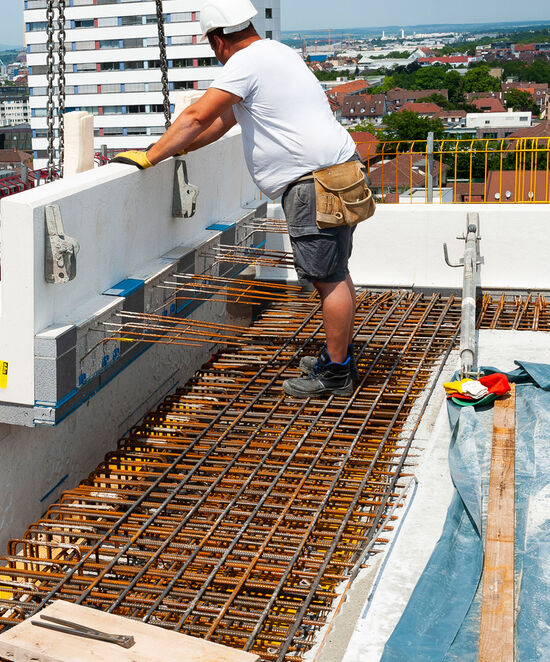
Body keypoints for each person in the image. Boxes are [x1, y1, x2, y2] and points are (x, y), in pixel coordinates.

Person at [111, 0, 369, 398]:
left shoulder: (245, 62)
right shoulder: (276, 53)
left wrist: (151, 155)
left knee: (328, 279)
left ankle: (336, 374)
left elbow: (197, 115)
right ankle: (340, 357)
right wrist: (179, 149)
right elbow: (222, 122)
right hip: (338, 172)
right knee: (337, 271)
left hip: (313, 184)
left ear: (218, 40)